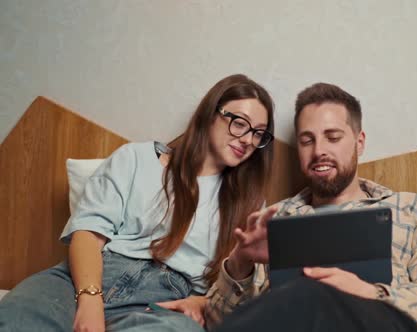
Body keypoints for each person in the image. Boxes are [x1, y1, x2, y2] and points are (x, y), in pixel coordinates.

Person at [0, 74, 275, 332]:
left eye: (259, 133)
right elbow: (88, 233)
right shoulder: (136, 158)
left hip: (162, 303)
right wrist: (90, 300)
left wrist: (203, 302)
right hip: (87, 276)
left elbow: (245, 292)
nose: (248, 139)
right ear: (210, 114)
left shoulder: (250, 205)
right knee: (17, 315)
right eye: (240, 123)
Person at [205, 82, 417, 332]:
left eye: (333, 137)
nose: (319, 151)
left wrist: (367, 293)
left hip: (377, 322)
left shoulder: (413, 209)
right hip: (297, 322)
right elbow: (219, 322)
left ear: (359, 142)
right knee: (301, 294)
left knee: (307, 290)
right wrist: (241, 262)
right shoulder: (276, 218)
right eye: (307, 141)